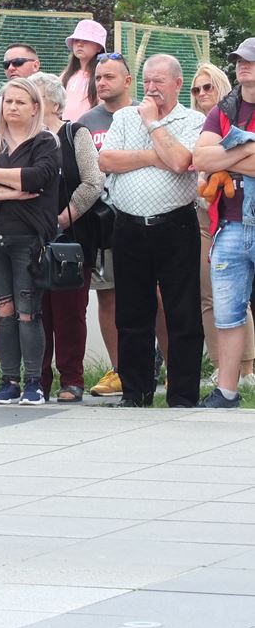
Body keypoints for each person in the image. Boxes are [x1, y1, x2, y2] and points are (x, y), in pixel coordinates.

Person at [100, 54, 204, 407]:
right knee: (131, 314)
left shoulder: (193, 120)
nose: (151, 87)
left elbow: (181, 161)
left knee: (182, 313)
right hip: (128, 226)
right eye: (146, 80)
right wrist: (153, 156)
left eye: (159, 81)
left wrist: (152, 124)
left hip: (175, 225)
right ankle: (136, 391)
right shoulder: (124, 116)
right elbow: (106, 160)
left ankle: (183, 395)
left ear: (177, 83)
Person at [0, 77, 60, 406]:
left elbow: (37, 177)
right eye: (8, 101)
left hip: (29, 240)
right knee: (3, 311)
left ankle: (34, 382)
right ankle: (9, 381)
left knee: (28, 312)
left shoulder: (45, 142)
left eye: (20, 101)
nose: (13, 107)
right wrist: (13, 191)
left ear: (35, 107)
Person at [33, 73, 105, 403]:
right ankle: (37, 380)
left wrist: (62, 218)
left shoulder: (75, 133)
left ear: (54, 104)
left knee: (69, 312)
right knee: (34, 312)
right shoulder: (20, 137)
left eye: (33, 97)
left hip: (71, 239)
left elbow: (93, 182)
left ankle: (72, 379)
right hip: (29, 237)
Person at [194, 41, 255, 408]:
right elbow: (200, 158)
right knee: (228, 312)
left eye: (250, 60)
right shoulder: (224, 108)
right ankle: (227, 392)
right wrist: (247, 148)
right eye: (238, 60)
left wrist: (226, 157)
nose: (242, 65)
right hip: (230, 224)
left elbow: (213, 157)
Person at [79, 53, 133, 396]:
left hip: (141, 216)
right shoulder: (86, 122)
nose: (102, 83)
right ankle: (119, 370)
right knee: (108, 296)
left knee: (157, 296)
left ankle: (172, 368)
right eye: (98, 77)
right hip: (102, 222)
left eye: (109, 77)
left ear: (128, 81)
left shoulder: (143, 114)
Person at [0, 43, 41, 124]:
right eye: (6, 64)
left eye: (18, 62)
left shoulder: (50, 101)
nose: (10, 68)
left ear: (35, 65)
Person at [61, 20, 107, 121]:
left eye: (86, 40)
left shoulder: (102, 78)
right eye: (76, 40)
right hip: (65, 128)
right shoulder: (64, 76)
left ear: (99, 47)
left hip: (91, 128)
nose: (79, 44)